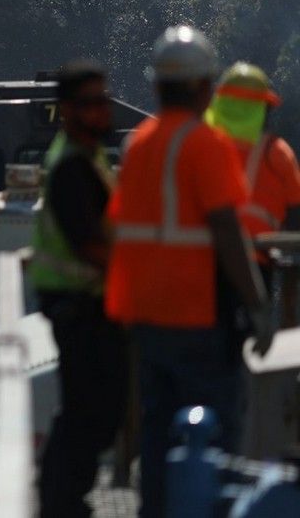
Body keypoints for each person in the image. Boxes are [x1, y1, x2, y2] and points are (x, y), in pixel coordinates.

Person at [104, 26, 275, 518]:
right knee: (215, 433)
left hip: (145, 314)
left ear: (157, 86)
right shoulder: (205, 144)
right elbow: (227, 232)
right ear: (205, 87)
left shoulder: (139, 145)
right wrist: (258, 304)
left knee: (158, 428)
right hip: (197, 315)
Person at [30, 60, 126, 518]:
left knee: (90, 410)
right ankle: (62, 502)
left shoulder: (87, 155)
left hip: (84, 301)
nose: (101, 110)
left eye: (103, 100)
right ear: (66, 109)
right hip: (78, 305)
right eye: (90, 103)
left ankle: (62, 498)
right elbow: (88, 243)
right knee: (91, 411)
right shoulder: (72, 165)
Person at [207, 62, 300, 325]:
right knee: (252, 332)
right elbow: (296, 213)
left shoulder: (204, 147)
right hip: (258, 261)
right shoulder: (277, 153)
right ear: (266, 108)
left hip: (209, 261)